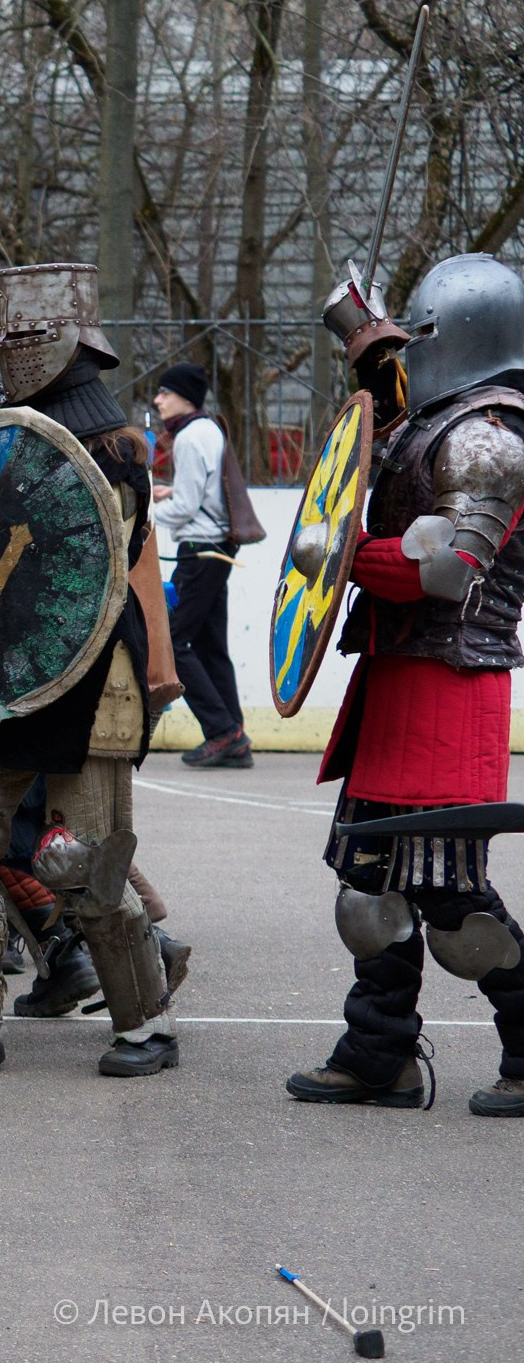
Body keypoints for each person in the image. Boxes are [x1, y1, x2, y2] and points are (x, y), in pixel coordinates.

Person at [0, 262, 184, 1081]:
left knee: (80, 858)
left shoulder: (116, 453)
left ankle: (144, 1024)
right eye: (6, 338)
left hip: (91, 672)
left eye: (22, 337)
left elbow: (72, 565)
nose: (10, 350)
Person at [287, 253, 524, 1115]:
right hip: (394, 676)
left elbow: (451, 568)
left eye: (421, 335)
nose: (410, 350)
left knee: (452, 900)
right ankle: (378, 1054)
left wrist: (347, 558)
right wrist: (363, 335)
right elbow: (380, 439)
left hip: (451, 684)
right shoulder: (430, 423)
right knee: (369, 888)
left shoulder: (490, 437)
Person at [150, 362, 252, 768]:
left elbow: (187, 508)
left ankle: (223, 731)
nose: (157, 400)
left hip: (199, 551)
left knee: (172, 643)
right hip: (217, 549)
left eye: (165, 392)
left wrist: (146, 513)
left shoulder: (189, 437)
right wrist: (171, 492)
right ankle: (235, 737)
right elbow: (200, 493)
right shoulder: (208, 429)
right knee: (210, 646)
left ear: (185, 397)